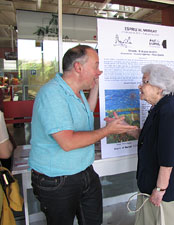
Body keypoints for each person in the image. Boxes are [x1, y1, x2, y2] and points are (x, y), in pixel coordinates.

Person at [28, 45, 137, 225]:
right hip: (57, 180)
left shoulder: (75, 92)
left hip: (84, 172)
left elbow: (87, 110)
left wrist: (96, 86)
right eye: (95, 65)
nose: (99, 71)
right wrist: (107, 131)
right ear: (78, 67)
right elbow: (67, 142)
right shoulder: (52, 94)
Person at [109, 64, 174, 225]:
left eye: (145, 82)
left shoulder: (169, 111)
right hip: (151, 187)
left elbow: (168, 158)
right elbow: (152, 139)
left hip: (162, 193)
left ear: (159, 88)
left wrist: (159, 190)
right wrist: (126, 128)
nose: (140, 86)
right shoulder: (162, 107)